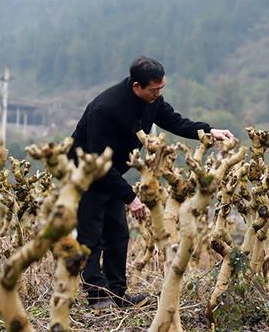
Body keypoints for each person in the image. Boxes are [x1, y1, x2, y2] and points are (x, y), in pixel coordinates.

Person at [70, 56, 233, 309]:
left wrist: (209, 130)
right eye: (153, 90)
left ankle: (117, 292)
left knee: (118, 233)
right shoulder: (106, 108)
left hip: (113, 172)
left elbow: (175, 121)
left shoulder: (152, 101)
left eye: (161, 89)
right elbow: (96, 161)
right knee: (92, 234)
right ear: (137, 86)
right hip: (87, 171)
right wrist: (131, 197)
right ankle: (97, 295)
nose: (158, 94)